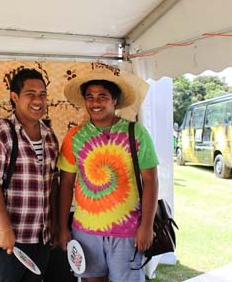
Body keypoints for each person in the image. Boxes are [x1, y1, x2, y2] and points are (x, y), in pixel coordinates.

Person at [57, 68, 159, 282]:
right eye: (90, 97)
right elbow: (66, 184)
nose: (95, 103)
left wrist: (146, 226)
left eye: (102, 96)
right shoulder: (74, 137)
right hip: (85, 232)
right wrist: (63, 228)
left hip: (128, 231)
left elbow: (150, 181)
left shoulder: (136, 133)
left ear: (115, 100)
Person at [0, 68, 59, 282]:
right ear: (15, 97)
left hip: (40, 240)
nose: (38, 100)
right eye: (30, 94)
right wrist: (4, 229)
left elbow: (52, 184)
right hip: (8, 242)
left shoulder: (49, 137)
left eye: (42, 94)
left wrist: (56, 225)